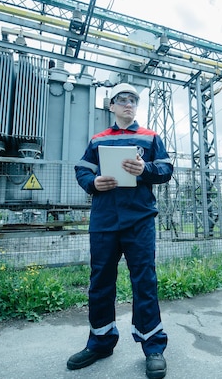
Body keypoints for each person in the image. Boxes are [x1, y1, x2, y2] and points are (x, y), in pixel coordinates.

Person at [68, 83, 173, 379]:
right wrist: (93, 182)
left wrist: (145, 170)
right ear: (111, 106)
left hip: (139, 219)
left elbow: (166, 170)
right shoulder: (98, 140)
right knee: (100, 281)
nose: (128, 104)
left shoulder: (150, 137)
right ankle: (100, 342)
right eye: (122, 100)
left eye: (133, 100)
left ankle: (153, 347)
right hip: (104, 220)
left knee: (144, 282)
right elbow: (82, 170)